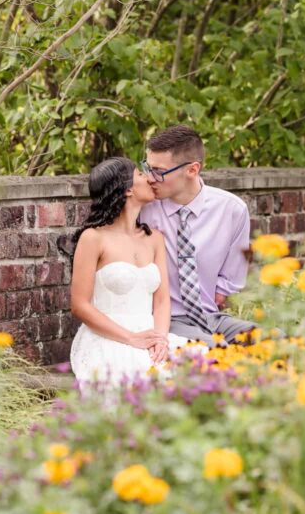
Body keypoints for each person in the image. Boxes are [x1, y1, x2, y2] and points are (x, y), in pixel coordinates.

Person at [68, 157, 190, 383]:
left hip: (151, 335)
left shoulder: (154, 239)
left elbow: (162, 301)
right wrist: (130, 338)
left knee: (197, 369)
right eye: (141, 175)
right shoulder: (93, 238)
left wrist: (160, 340)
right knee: (138, 379)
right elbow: (80, 305)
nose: (150, 178)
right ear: (127, 190)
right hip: (108, 337)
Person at [139, 125, 256, 346]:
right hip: (166, 319)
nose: (150, 178)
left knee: (276, 340)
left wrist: (217, 294)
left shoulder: (231, 210)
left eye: (158, 171)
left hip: (211, 317)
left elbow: (232, 278)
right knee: (214, 351)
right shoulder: (144, 209)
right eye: (147, 167)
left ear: (192, 170)